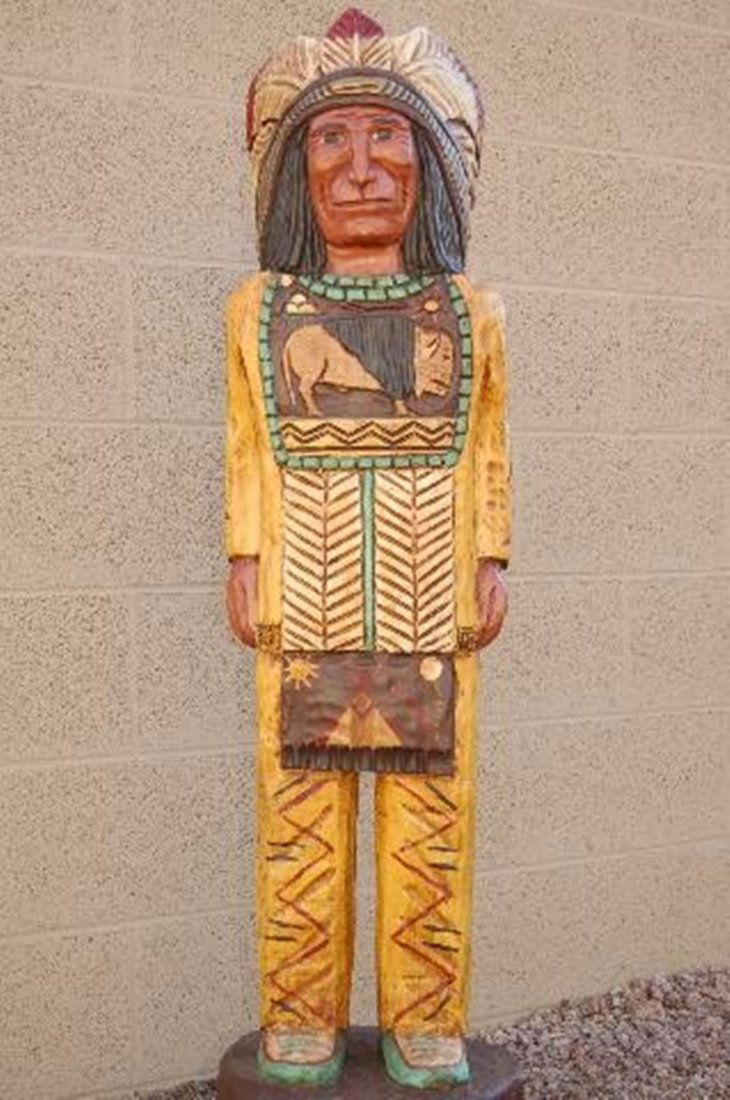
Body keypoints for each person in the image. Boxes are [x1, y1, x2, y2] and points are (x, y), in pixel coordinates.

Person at [224, 8, 511, 1088]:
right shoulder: (260, 309)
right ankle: (298, 1010)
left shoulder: (467, 310)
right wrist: (245, 555)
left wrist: (490, 554)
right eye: (330, 139)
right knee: (299, 807)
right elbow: (249, 447)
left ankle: (424, 1016)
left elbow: (486, 443)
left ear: (428, 164)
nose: (358, 169)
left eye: (386, 136)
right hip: (305, 591)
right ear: (293, 174)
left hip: (428, 591)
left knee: (428, 807)